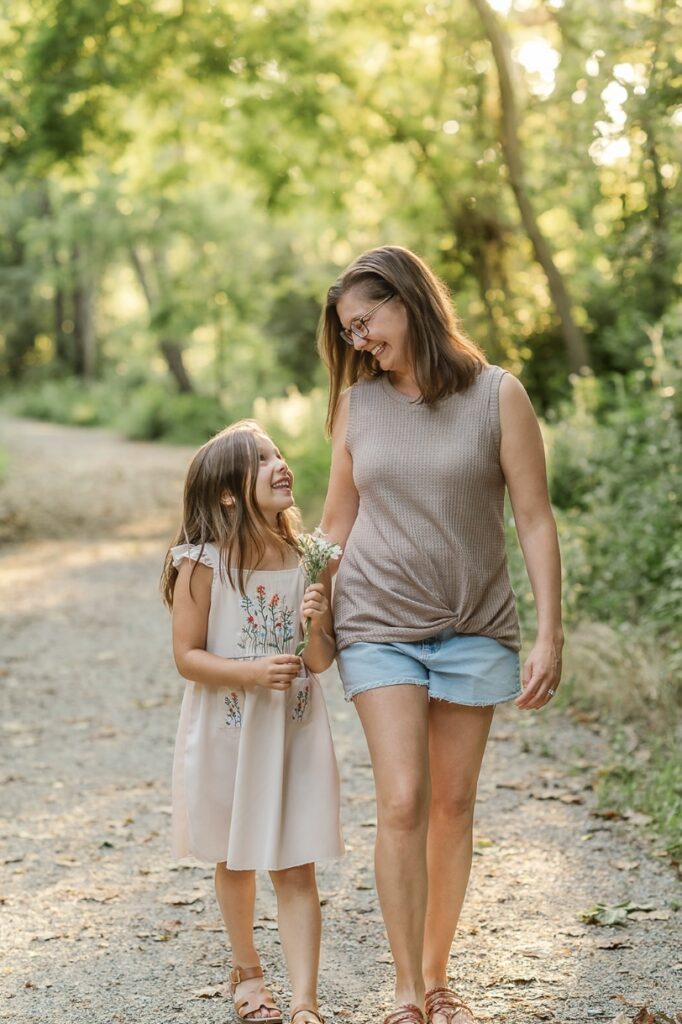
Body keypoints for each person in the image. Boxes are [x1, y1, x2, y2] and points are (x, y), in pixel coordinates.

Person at [318, 246, 563, 1024]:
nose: (359, 341)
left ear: (408, 301)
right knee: (401, 800)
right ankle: (401, 992)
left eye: (366, 322)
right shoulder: (360, 406)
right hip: (377, 622)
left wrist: (549, 632)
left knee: (453, 805)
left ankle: (436, 978)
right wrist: (303, 605)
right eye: (348, 331)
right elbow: (335, 522)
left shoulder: (499, 395)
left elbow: (533, 517)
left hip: (474, 625)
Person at [160, 419, 344, 1024]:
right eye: (261, 459)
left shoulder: (305, 555)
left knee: (295, 865)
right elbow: (187, 656)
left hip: (291, 733)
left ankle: (305, 1002)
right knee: (235, 858)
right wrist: (249, 673)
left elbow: (317, 660)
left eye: (279, 453)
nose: (280, 463)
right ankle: (248, 969)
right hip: (231, 731)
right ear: (229, 493)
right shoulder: (201, 561)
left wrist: (319, 613)